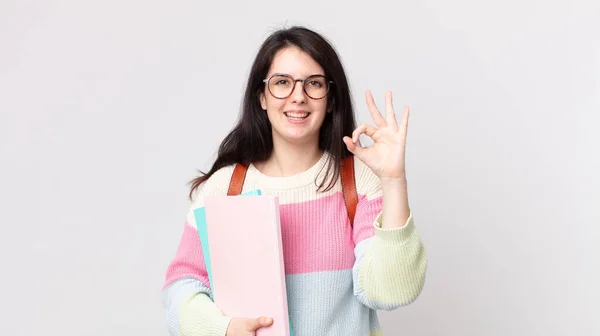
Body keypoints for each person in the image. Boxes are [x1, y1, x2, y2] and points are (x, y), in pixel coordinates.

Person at [161, 26, 427, 336]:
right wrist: (222, 329)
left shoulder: (359, 180)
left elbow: (391, 291)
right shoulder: (224, 188)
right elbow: (181, 286)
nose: (297, 97)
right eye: (282, 83)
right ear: (261, 97)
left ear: (329, 100)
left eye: (313, 84)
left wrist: (394, 180)